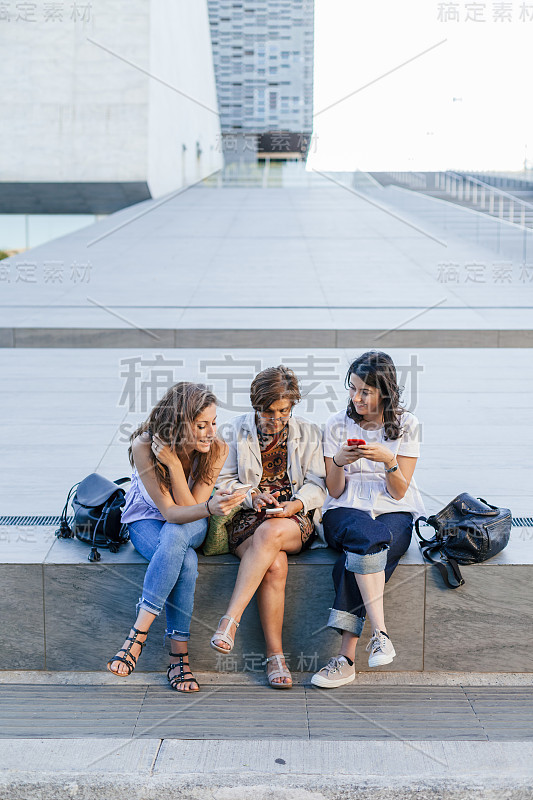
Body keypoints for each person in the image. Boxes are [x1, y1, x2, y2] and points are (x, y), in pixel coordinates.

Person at [106, 382, 246, 692]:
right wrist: (169, 463)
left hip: (195, 519)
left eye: (213, 422)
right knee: (186, 562)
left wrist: (176, 468)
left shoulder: (217, 449)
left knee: (177, 534)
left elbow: (188, 509)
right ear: (179, 423)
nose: (211, 432)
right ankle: (178, 658)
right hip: (145, 518)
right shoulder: (145, 445)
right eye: (201, 425)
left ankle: (136, 636)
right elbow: (168, 512)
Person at [311, 351, 425, 688]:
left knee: (359, 555)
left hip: (392, 510)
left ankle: (345, 659)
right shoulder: (335, 425)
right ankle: (380, 633)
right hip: (344, 509)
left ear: (384, 393)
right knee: (368, 537)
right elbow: (334, 489)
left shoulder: (407, 425)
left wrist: (389, 459)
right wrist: (339, 462)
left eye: (365, 391)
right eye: (353, 389)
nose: (356, 398)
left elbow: (400, 491)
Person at [211, 366, 326, 689]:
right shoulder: (234, 432)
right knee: (274, 564)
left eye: (283, 411)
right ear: (255, 405)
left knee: (271, 532)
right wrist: (251, 496)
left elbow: (319, 484)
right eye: (268, 412)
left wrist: (296, 504)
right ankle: (275, 656)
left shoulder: (308, 433)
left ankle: (229, 620)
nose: (275, 419)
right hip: (246, 518)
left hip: (292, 520)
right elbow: (223, 483)